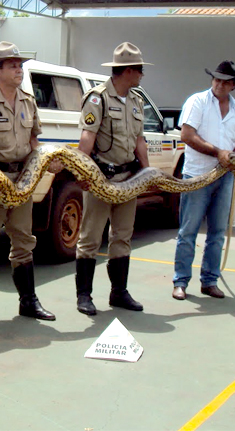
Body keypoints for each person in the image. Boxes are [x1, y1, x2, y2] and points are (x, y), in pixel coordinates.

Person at [0, 41, 59, 329]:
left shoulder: (28, 101)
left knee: (24, 242)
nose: (19, 70)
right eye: (13, 65)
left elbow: (33, 142)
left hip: (22, 180)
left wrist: (47, 160)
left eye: (20, 65)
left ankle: (28, 301)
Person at [74, 42, 151, 316]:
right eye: (140, 70)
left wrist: (146, 172)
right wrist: (82, 173)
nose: (142, 75)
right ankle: (84, 295)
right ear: (128, 71)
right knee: (90, 238)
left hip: (128, 178)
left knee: (123, 236)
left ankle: (119, 292)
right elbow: (87, 140)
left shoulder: (136, 100)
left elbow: (139, 140)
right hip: (101, 179)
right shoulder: (97, 98)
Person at [172, 61, 235, 300]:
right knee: (188, 230)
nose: (219, 84)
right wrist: (219, 152)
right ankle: (180, 281)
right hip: (197, 174)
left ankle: (209, 281)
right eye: (216, 79)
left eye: (225, 81)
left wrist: (233, 155)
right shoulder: (197, 102)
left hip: (225, 177)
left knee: (217, 232)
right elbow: (187, 135)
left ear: (233, 86)